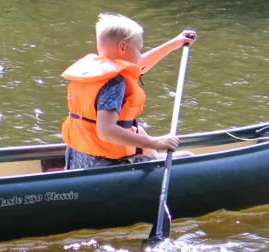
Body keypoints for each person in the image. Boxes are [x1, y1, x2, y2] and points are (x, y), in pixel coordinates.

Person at [61, 13, 196, 170]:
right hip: (105, 166)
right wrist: (154, 142)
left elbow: (137, 66)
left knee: (138, 131)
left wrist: (174, 43)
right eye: (138, 49)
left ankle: (152, 155)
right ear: (122, 47)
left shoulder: (94, 73)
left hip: (78, 160)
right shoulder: (115, 83)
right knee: (187, 158)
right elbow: (106, 131)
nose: (140, 55)